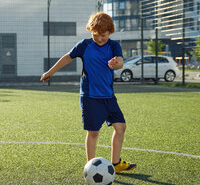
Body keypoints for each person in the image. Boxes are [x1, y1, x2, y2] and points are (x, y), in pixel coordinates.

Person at [40, 12, 136, 174]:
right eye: (96, 35)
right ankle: (91, 167)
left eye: (103, 35)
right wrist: (50, 72)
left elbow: (120, 62)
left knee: (121, 127)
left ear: (110, 32)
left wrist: (116, 64)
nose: (99, 38)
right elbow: (67, 58)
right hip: (90, 97)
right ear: (91, 32)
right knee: (93, 132)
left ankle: (116, 163)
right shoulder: (84, 45)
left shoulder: (113, 46)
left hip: (109, 96)